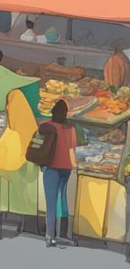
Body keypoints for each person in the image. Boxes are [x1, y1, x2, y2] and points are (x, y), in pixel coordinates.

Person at [40, 99, 78, 247]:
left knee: (51, 202)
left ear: (52, 112)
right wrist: (74, 166)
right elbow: (72, 149)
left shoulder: (46, 126)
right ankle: (63, 234)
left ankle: (50, 235)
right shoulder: (71, 129)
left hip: (51, 168)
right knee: (62, 199)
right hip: (66, 168)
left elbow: (39, 139)